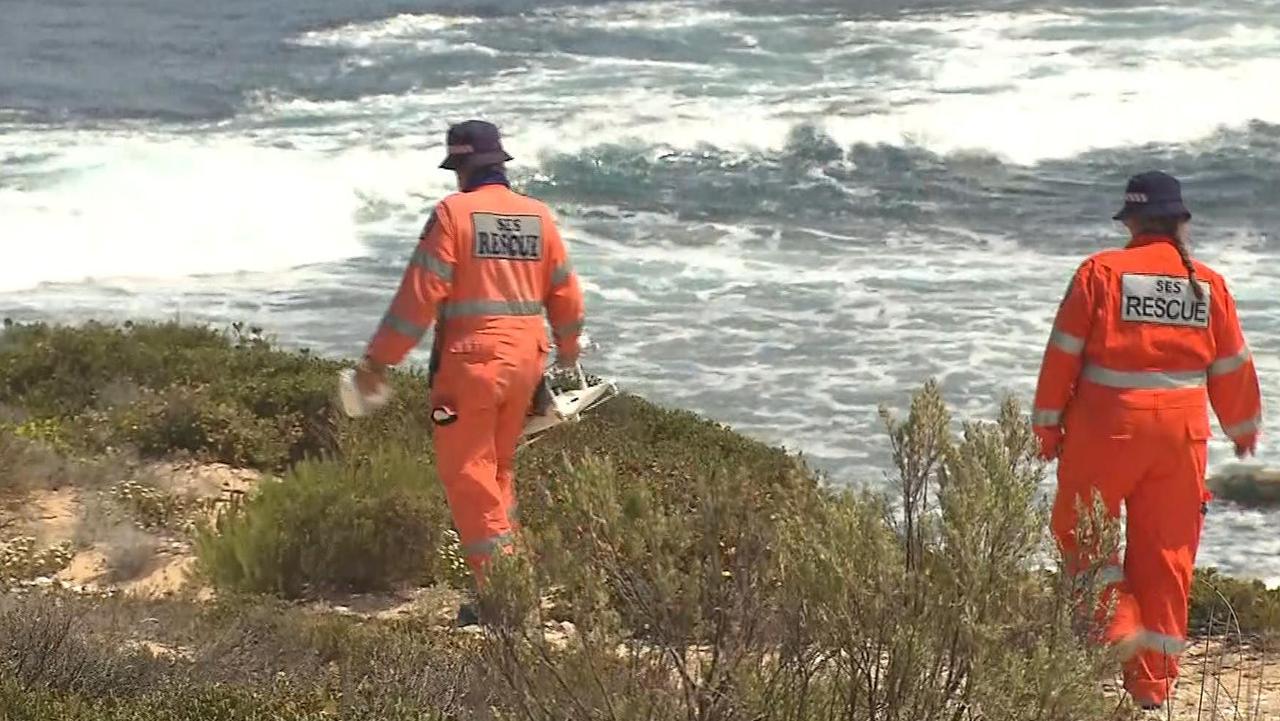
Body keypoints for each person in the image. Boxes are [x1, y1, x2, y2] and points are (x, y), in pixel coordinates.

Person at [1031, 170, 1262, 709]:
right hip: (1181, 440)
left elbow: (1062, 354)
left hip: (1105, 432)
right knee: (1166, 560)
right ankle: (1152, 688)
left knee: (1079, 535)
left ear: (1130, 221)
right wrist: (1242, 425)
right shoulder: (1207, 283)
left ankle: (1118, 632)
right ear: (1180, 222)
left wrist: (1046, 428)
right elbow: (1231, 364)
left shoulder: (1100, 273)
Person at [355, 119, 586, 621]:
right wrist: (567, 349)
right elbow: (565, 291)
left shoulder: (454, 214)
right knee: (498, 472)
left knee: (468, 476)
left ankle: (503, 598)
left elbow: (419, 298)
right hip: (528, 361)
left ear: (461, 167)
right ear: (499, 164)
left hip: (471, 368)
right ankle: (514, 579)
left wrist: (378, 361)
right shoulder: (537, 216)